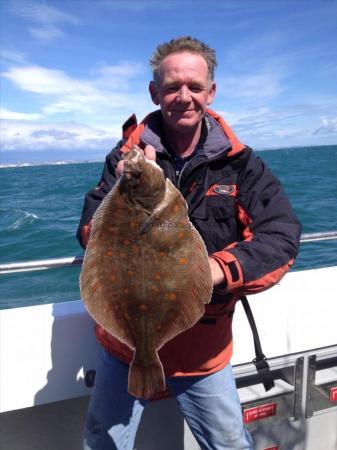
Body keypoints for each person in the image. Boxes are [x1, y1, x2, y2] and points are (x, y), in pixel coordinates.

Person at [77, 36, 301, 450]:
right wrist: (124, 196)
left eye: (194, 87)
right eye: (171, 87)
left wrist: (214, 270)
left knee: (230, 444)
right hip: (125, 347)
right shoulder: (125, 159)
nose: (183, 97)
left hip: (204, 349)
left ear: (210, 92)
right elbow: (89, 228)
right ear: (154, 92)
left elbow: (281, 237)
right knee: (102, 443)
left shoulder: (241, 165)